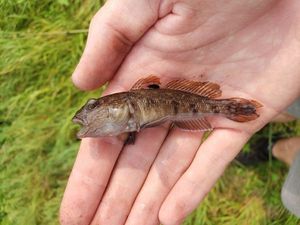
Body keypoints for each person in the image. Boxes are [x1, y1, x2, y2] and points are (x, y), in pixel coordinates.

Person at [59, 1, 300, 224]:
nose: (87, 114)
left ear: (125, 106)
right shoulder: (128, 114)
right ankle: (276, 130)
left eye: (94, 107)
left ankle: (269, 134)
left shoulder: (134, 104)